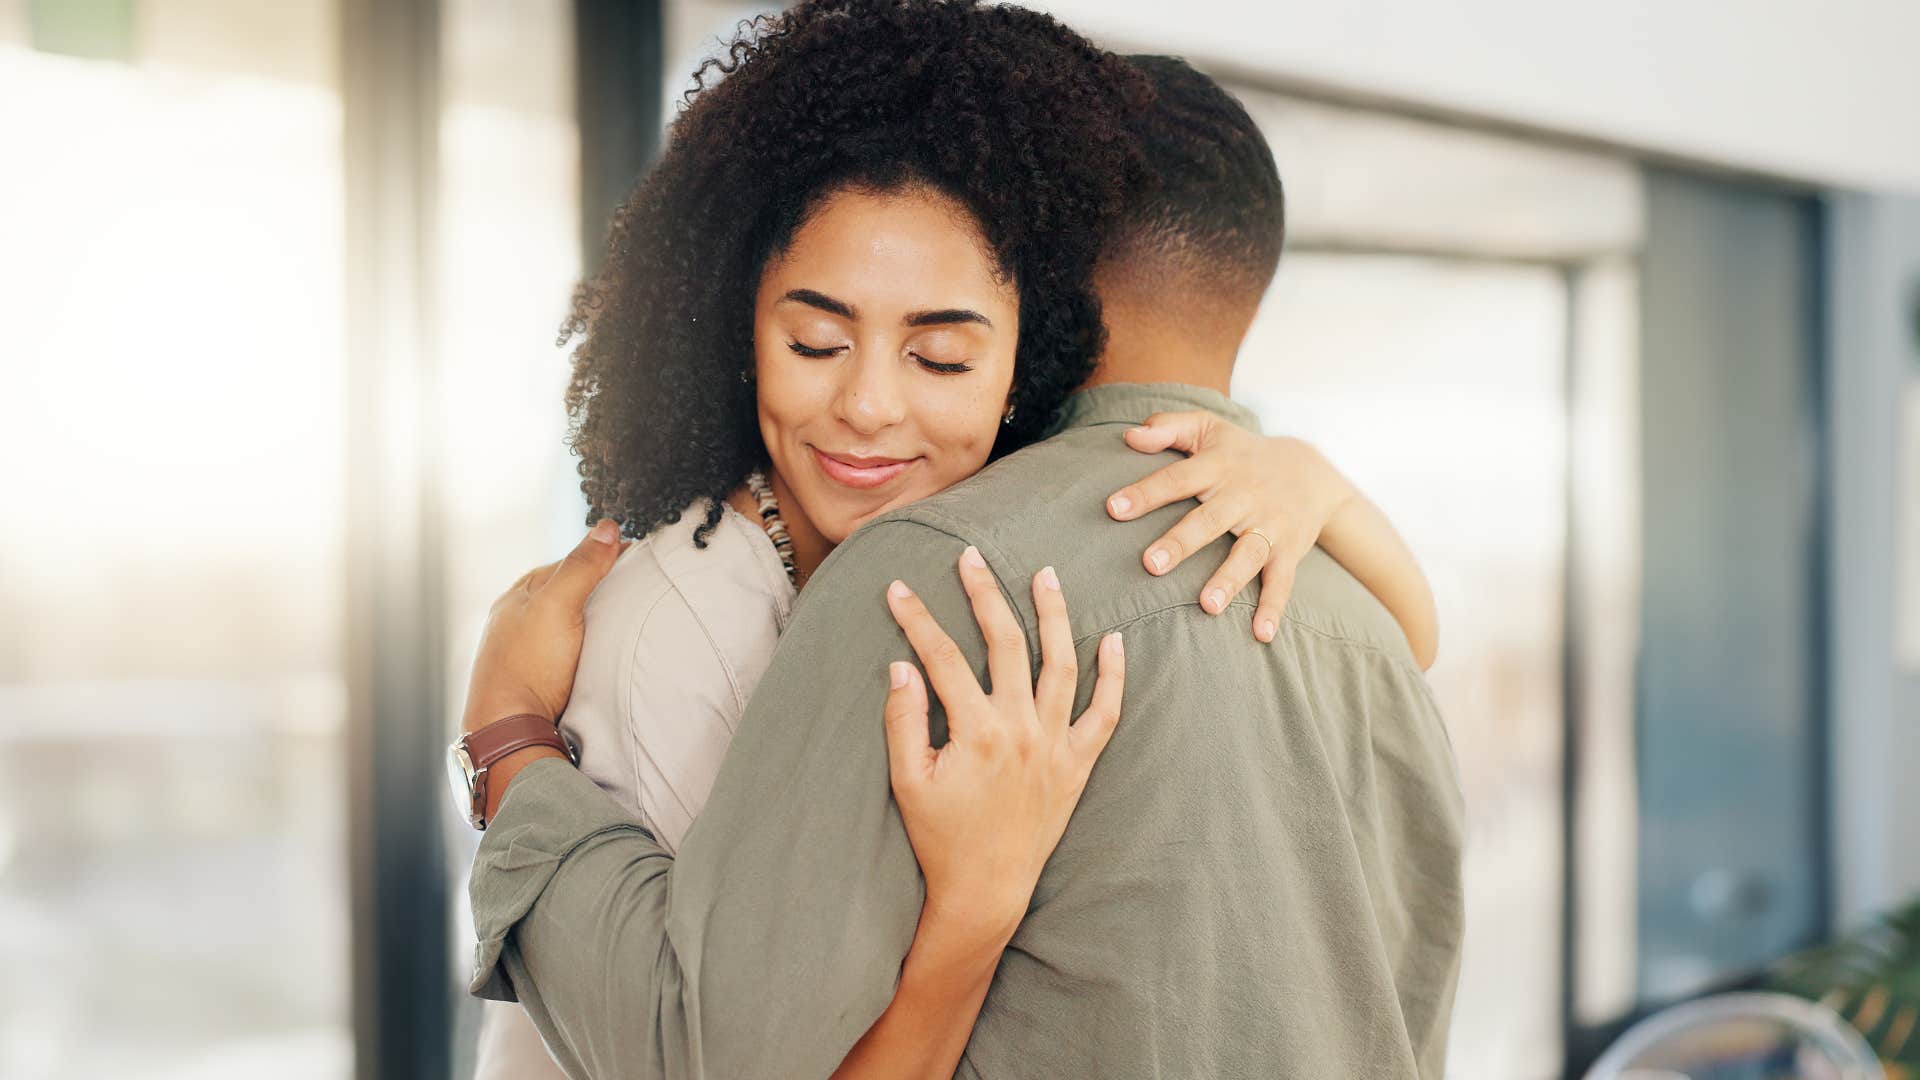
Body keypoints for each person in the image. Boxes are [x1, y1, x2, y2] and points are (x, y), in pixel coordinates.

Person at [462, 9, 1462, 1080]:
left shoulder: (931, 581)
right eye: (816, 340)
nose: (869, 405)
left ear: (1040, 310)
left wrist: (506, 739)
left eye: (940, 354)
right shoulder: (1359, 622)